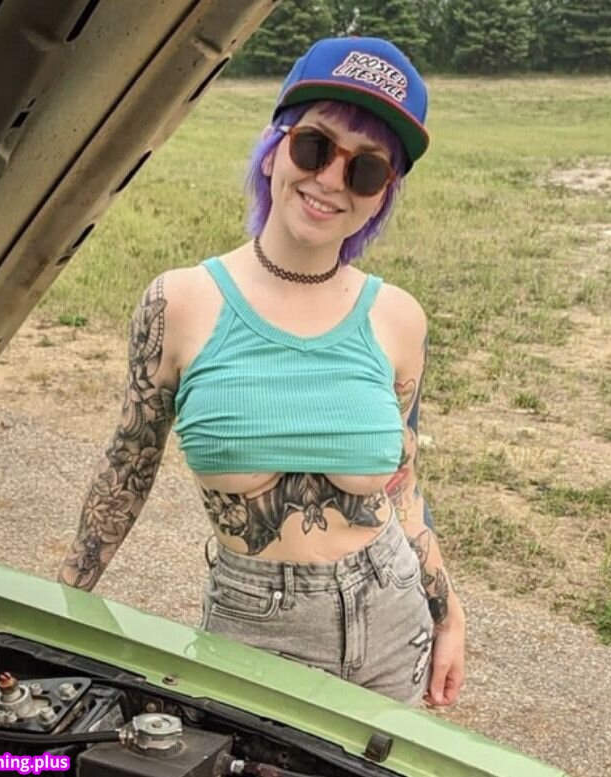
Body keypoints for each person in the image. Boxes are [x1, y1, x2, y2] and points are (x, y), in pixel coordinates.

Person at [58, 36, 465, 707]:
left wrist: (449, 614)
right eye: (315, 146)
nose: (330, 180)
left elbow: (403, 485)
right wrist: (61, 607)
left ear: (381, 197)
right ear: (275, 148)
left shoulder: (399, 318)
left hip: (391, 616)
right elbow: (126, 469)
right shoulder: (180, 303)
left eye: (366, 170)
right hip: (252, 624)